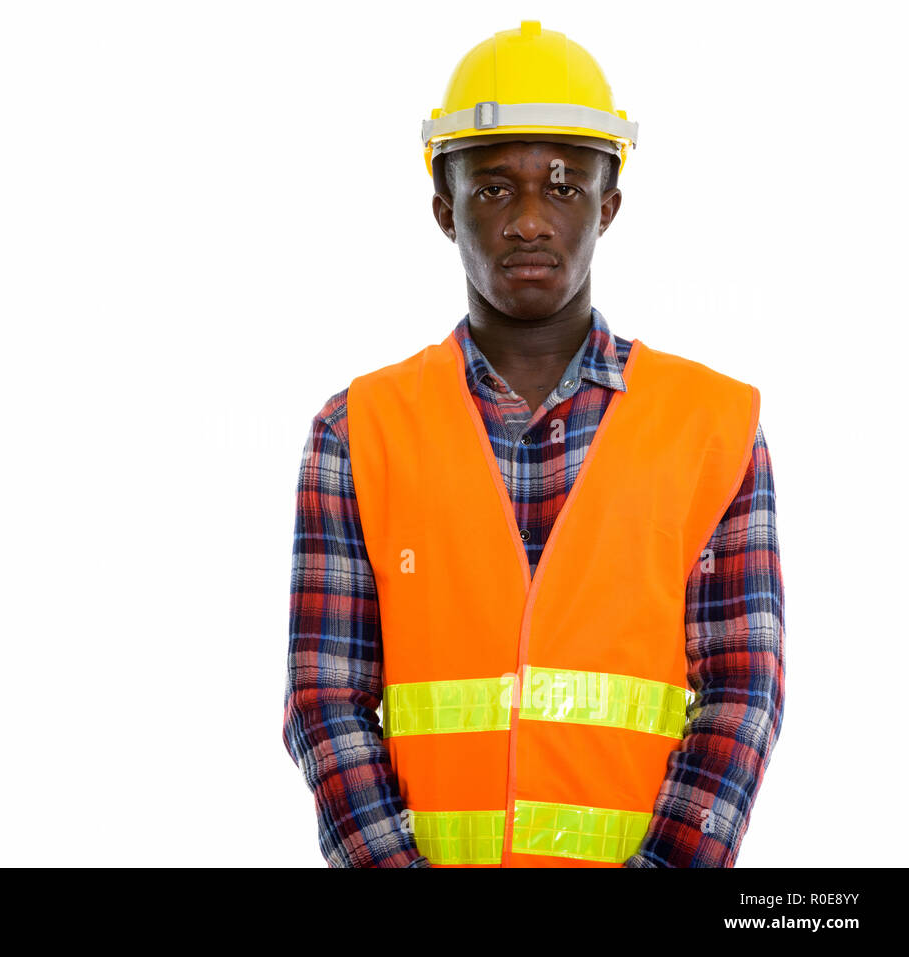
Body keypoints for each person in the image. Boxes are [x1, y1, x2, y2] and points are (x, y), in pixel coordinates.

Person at [281, 20, 785, 867]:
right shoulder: (356, 431)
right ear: (445, 210)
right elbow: (325, 699)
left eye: (561, 186)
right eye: (491, 189)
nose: (526, 220)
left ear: (607, 205)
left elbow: (743, 692)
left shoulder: (714, 427)